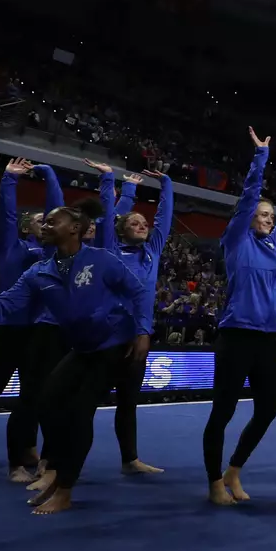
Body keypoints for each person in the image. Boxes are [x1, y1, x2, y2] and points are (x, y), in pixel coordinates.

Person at [0, 198, 148, 515]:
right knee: (47, 401)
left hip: (114, 345)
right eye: (45, 221)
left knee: (80, 413)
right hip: (82, 348)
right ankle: (54, 470)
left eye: (53, 222)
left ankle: (64, 489)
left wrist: (142, 331)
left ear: (76, 229)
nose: (46, 225)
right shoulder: (39, 273)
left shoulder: (102, 259)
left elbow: (137, 291)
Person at [204, 128, 276, 507]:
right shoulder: (236, 239)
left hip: (267, 339)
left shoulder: (272, 244)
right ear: (248, 217)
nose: (270, 219)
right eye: (264, 214)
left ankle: (233, 469)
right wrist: (260, 159)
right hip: (236, 335)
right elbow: (249, 199)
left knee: (268, 408)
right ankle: (213, 482)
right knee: (223, 410)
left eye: (272, 215)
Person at [0, 157, 64, 483]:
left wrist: (49, 174)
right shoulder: (12, 247)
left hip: (36, 333)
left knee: (32, 399)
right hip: (6, 331)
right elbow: (6, 215)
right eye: (39, 220)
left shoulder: (50, 254)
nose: (46, 223)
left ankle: (22, 454)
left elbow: (58, 212)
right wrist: (10, 179)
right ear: (25, 228)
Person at [97, 166, 173, 476]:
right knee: (84, 403)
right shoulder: (110, 250)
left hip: (137, 340)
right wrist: (109, 182)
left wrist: (166, 184)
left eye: (144, 223)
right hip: (105, 338)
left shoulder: (152, 253)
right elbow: (105, 216)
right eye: (135, 222)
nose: (142, 225)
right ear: (121, 228)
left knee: (128, 403)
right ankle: (55, 465)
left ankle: (130, 459)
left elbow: (164, 219)